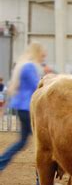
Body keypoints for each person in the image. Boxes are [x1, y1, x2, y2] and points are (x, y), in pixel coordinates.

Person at [0, 42, 46, 173]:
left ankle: (1, 163)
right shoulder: (29, 66)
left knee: (22, 141)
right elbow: (37, 86)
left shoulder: (24, 65)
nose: (43, 56)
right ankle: (42, 177)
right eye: (42, 53)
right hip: (28, 108)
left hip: (23, 108)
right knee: (43, 143)